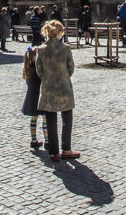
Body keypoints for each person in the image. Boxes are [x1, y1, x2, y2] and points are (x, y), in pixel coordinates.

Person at [34, 20, 79, 161]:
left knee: (51, 120)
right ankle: (67, 150)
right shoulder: (65, 49)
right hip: (64, 87)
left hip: (48, 89)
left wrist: (48, 79)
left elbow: (39, 71)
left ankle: (54, 153)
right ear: (59, 33)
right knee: (67, 119)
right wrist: (63, 77)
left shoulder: (41, 50)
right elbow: (71, 68)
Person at [21, 47, 48, 149]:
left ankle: (33, 140)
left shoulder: (27, 68)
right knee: (45, 119)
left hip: (31, 97)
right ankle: (47, 140)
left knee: (34, 119)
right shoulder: (37, 69)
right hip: (39, 96)